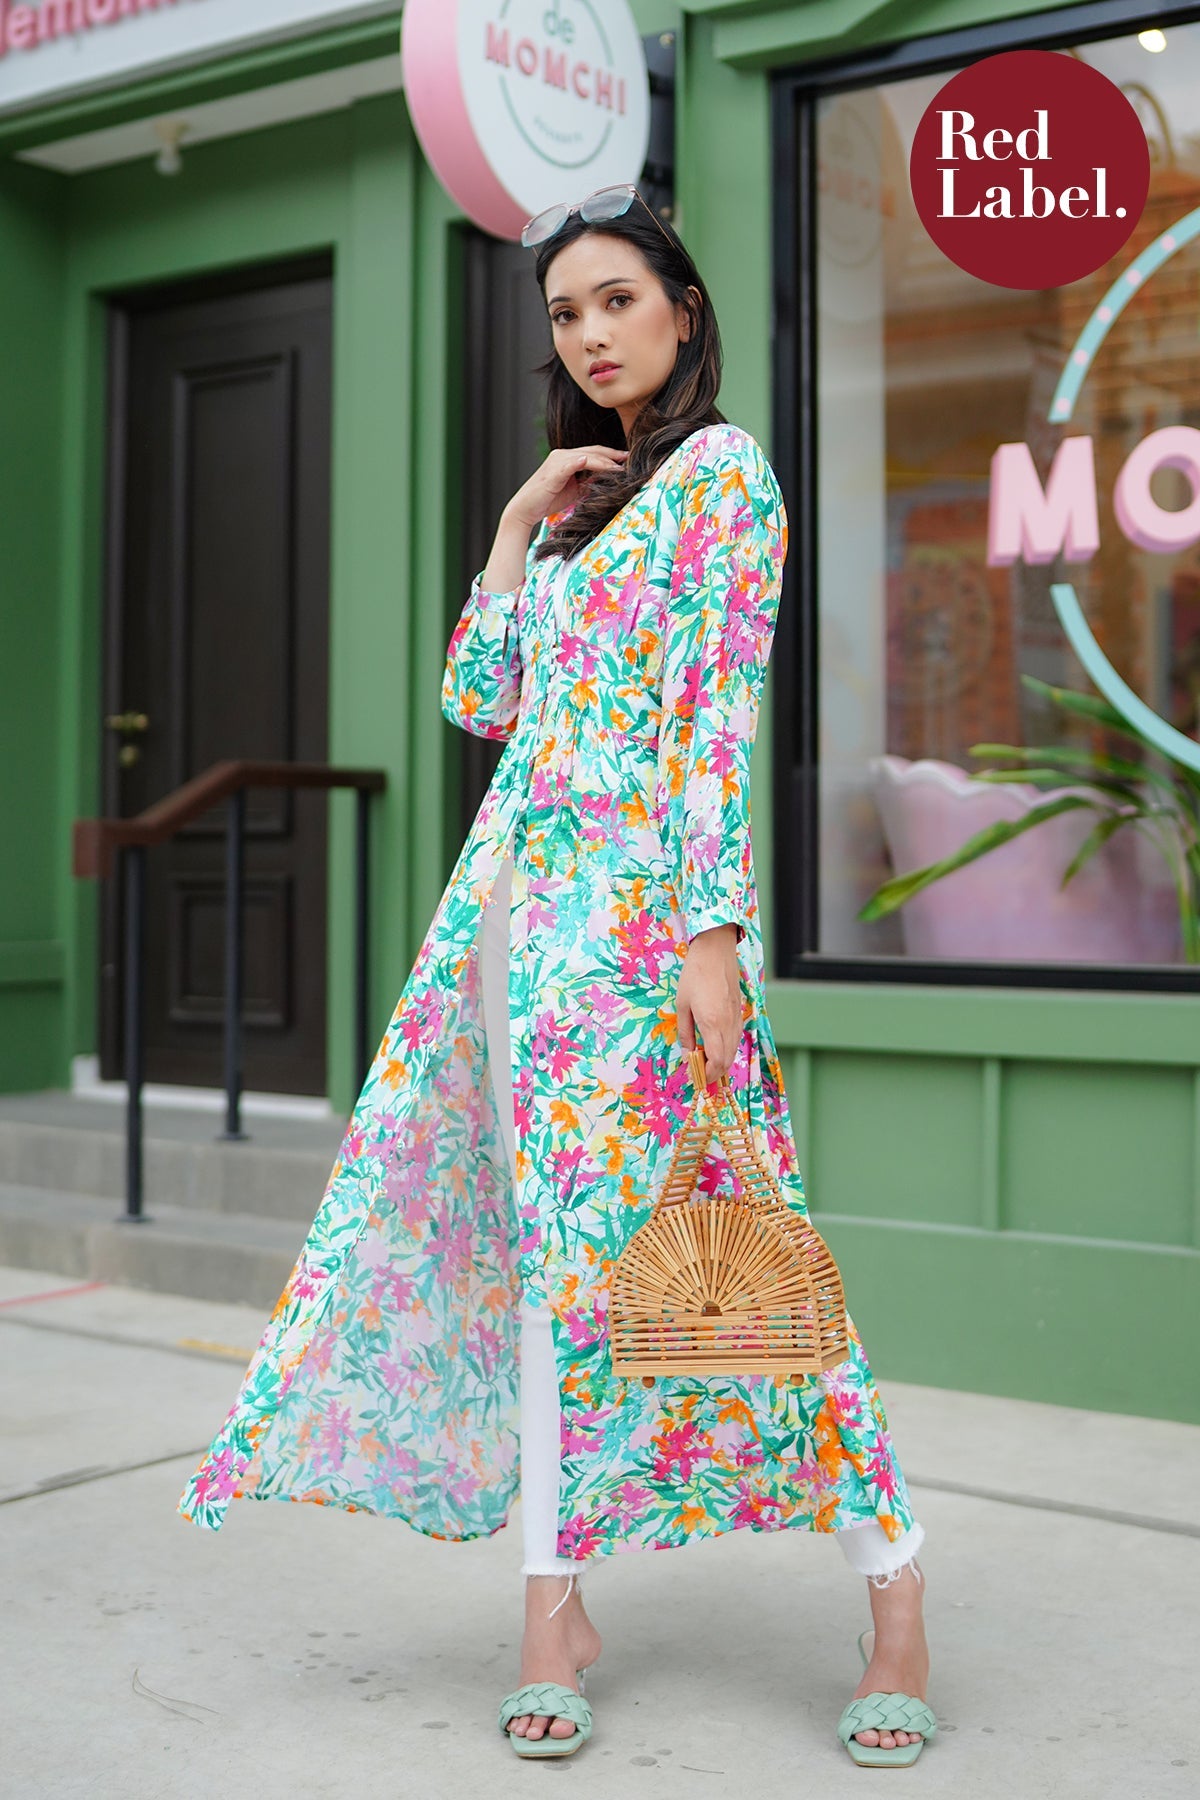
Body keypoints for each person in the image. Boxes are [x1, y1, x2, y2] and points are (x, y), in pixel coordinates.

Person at [177, 184, 936, 1771]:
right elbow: (480, 701)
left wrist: (713, 935)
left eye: (615, 300)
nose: (590, 334)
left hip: (648, 933)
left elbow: (716, 716)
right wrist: (521, 525)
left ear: (682, 306)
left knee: (736, 1260)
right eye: (565, 314)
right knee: (553, 1270)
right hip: (520, 930)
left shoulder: (724, 475)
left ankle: (895, 1586)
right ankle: (550, 1607)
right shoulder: (587, 506)